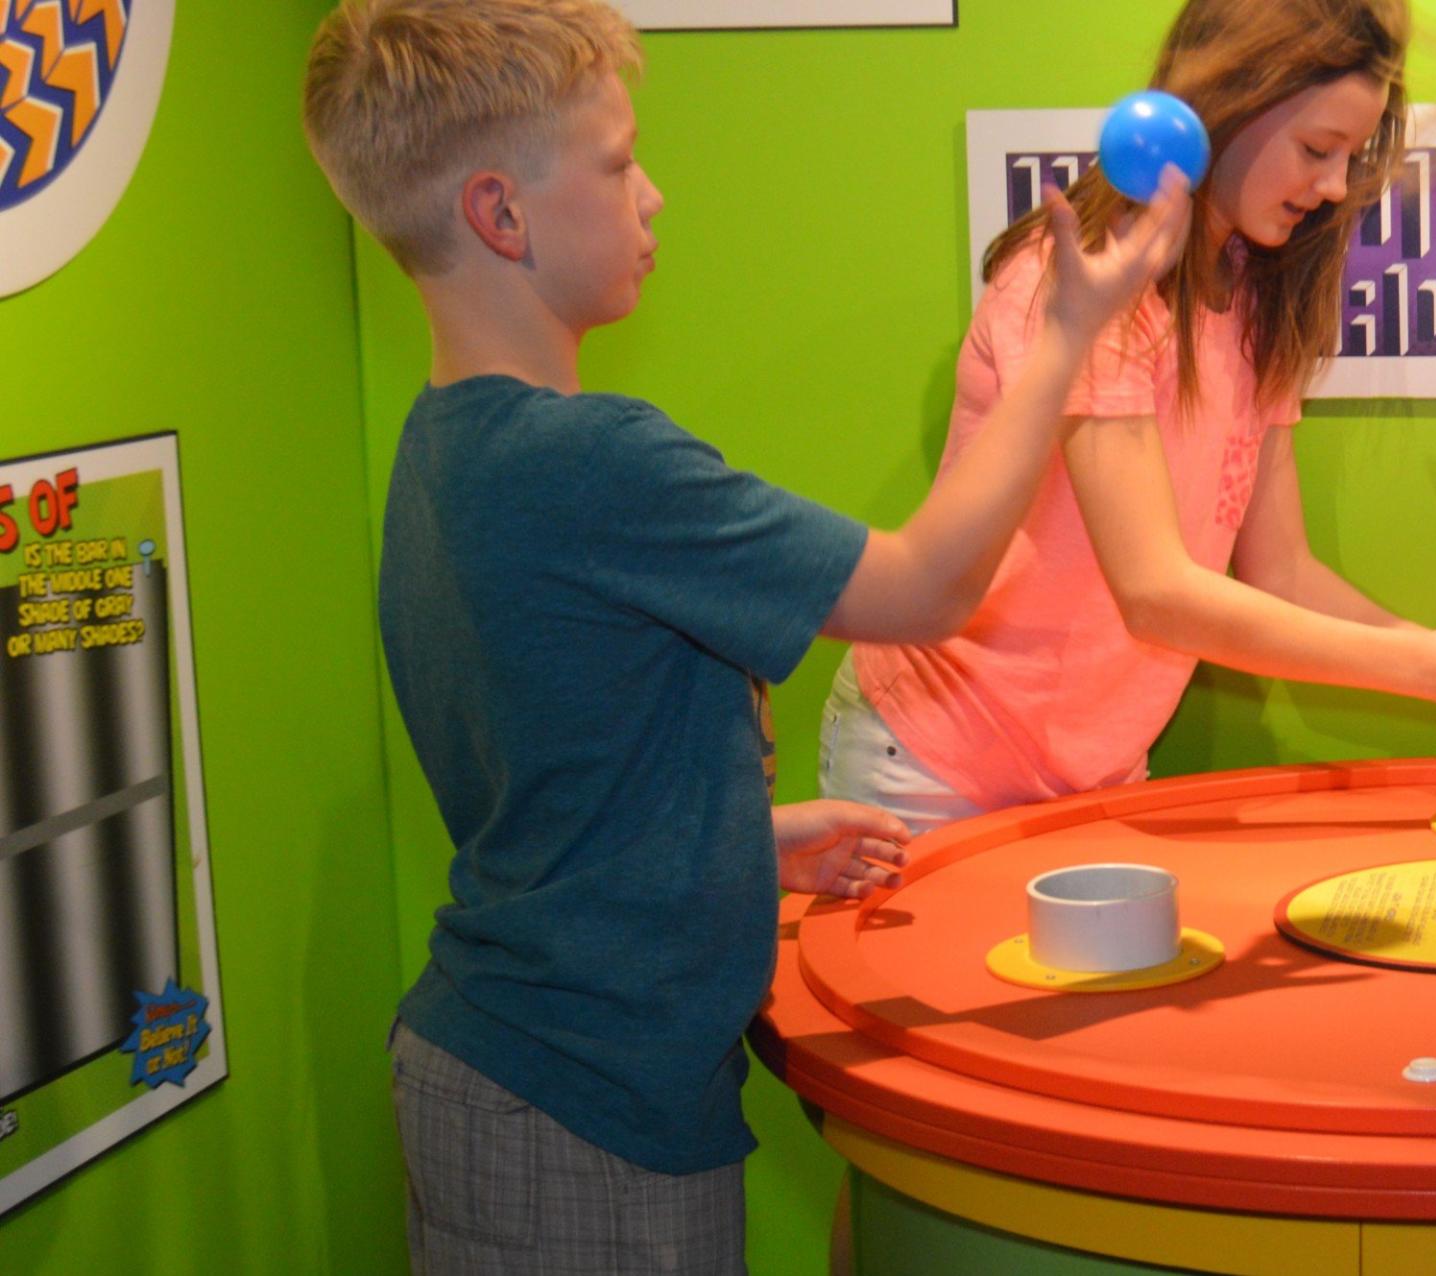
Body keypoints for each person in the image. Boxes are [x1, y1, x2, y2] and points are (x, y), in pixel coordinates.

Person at [301, 2, 1187, 1268]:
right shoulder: (587, 461)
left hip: (514, 1070)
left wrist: (744, 842)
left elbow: (556, 780)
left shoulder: (446, 443)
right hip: (582, 1105)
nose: (652, 194)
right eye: (617, 163)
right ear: (500, 213)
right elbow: (929, 586)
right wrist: (1065, 337)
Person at [824, 0, 1436, 836]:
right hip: (937, 766)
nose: (1336, 186)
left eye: (1350, 156)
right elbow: (1154, 592)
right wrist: (1432, 666)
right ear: (1229, 104)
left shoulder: (1256, 298)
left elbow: (1280, 569)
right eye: (1317, 150)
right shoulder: (1082, 287)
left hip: (1095, 774)